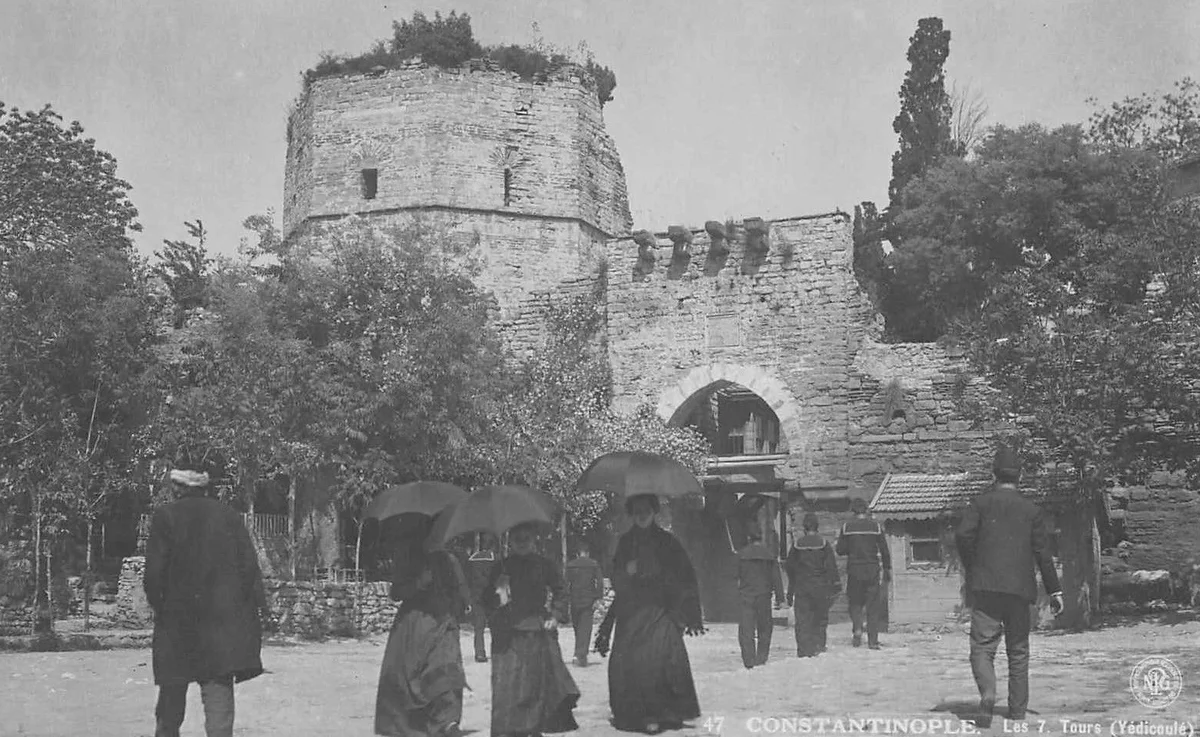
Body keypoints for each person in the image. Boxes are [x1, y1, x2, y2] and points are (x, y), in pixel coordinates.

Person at [143, 469, 267, 737]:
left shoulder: (166, 517)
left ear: (177, 487)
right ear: (205, 486)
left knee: (170, 703)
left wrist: (162, 609)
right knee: (218, 703)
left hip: (177, 626)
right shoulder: (229, 516)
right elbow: (249, 570)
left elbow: (153, 575)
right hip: (220, 629)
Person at [955, 446, 1064, 726]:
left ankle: (988, 693)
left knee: (982, 647)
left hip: (986, 587)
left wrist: (975, 567)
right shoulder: (1031, 510)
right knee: (1018, 651)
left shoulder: (980, 504)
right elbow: (1043, 553)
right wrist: (1054, 590)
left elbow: (963, 535)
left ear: (993, 475)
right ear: (1020, 476)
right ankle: (1017, 711)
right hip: (1019, 590)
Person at [603, 494, 703, 734]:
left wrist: (666, 581)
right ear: (631, 513)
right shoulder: (625, 543)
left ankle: (664, 712)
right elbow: (616, 576)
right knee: (630, 663)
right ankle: (638, 714)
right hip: (632, 614)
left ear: (654, 512)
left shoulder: (668, 542)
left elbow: (685, 576)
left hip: (660, 611)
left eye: (646, 510)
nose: (642, 515)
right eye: (637, 510)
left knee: (660, 660)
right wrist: (627, 572)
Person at [375, 513, 471, 737]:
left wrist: (460, 607)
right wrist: (418, 583)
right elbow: (395, 592)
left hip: (443, 624)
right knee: (412, 677)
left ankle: (447, 721)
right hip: (414, 627)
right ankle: (418, 722)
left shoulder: (450, 560)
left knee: (447, 669)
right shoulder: (410, 557)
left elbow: (462, 592)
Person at [481, 522, 580, 736]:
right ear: (510, 542)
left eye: (526, 538)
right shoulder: (501, 567)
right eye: (517, 539)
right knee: (508, 687)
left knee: (535, 685)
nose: (522, 543)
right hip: (508, 635)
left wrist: (555, 615)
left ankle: (534, 729)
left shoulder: (544, 565)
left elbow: (561, 590)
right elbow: (486, 600)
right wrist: (498, 594)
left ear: (534, 539)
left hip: (536, 631)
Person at [835, 497, 891, 649]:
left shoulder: (847, 527)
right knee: (873, 606)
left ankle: (857, 628)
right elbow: (884, 551)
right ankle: (872, 641)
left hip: (854, 570)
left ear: (853, 511)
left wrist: (851, 548)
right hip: (872, 569)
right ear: (866, 510)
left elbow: (840, 550)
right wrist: (887, 569)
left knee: (855, 602)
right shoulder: (876, 527)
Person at [784, 513, 841, 657]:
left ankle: (804, 649)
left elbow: (790, 567)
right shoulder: (824, 544)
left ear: (804, 528)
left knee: (803, 619)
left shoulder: (797, 545)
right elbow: (831, 567)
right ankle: (818, 645)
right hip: (820, 586)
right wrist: (835, 586)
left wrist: (791, 588)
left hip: (802, 586)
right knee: (820, 616)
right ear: (817, 527)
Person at [735, 527, 785, 668]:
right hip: (764, 596)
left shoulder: (741, 555)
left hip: (746, 596)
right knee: (765, 628)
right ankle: (761, 658)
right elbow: (776, 578)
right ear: (761, 537)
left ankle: (749, 660)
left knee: (746, 630)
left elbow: (734, 575)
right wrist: (780, 598)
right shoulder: (769, 555)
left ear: (749, 538)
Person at [565, 543, 604, 667]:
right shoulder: (593, 564)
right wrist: (598, 597)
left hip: (574, 600)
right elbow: (600, 582)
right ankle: (580, 655)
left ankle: (579, 654)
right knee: (585, 628)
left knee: (577, 627)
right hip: (588, 600)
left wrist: (566, 599)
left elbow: (565, 583)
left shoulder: (570, 565)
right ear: (588, 553)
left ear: (577, 554)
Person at [466, 536, 497, 663]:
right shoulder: (495, 559)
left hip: (476, 596)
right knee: (496, 626)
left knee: (479, 627)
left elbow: (468, 578)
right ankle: (497, 651)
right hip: (491, 597)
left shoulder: (472, 558)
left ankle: (479, 653)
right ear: (493, 546)